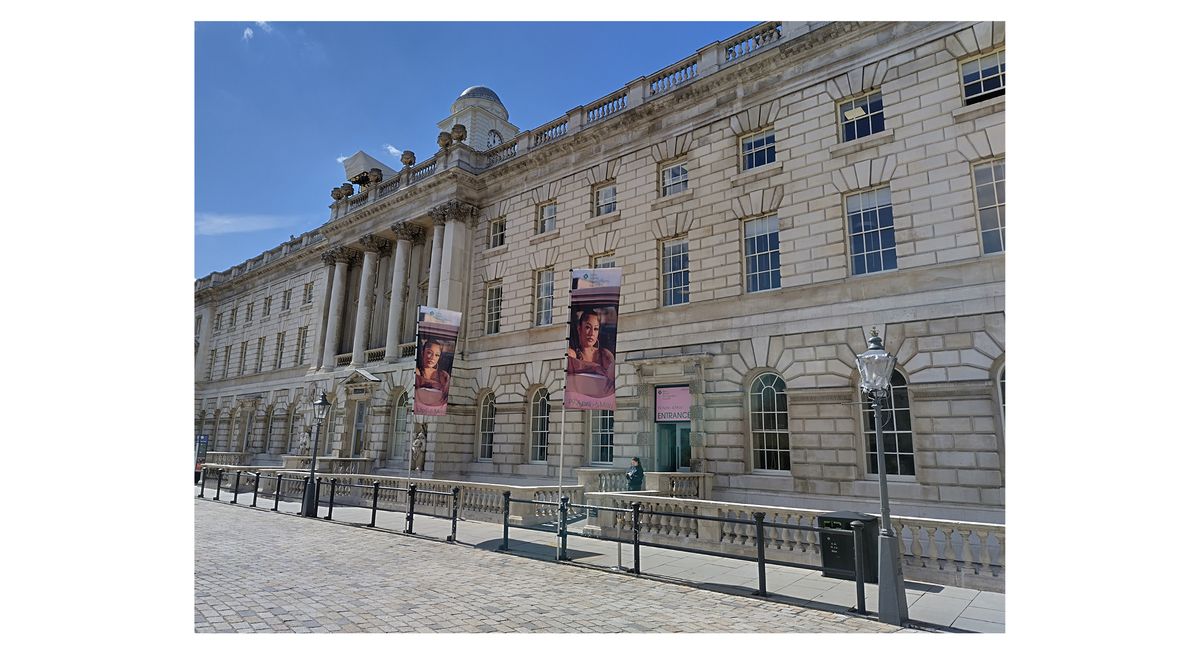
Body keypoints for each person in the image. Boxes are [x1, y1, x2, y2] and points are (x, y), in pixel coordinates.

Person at [566, 308, 616, 384]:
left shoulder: (605, 355)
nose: (592, 333)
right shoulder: (573, 354)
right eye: (588, 327)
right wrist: (596, 368)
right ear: (579, 329)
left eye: (596, 329)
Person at [415, 337, 450, 402]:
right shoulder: (416, 373)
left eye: (437, 355)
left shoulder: (444, 376)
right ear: (423, 353)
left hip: (437, 409)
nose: (432, 358)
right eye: (429, 353)